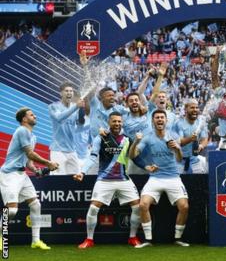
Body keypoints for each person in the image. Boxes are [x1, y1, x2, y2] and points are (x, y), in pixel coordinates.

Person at [74, 112, 141, 248]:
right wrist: (82, 172)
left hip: (123, 179)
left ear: (122, 123)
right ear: (109, 123)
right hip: (104, 180)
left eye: (119, 121)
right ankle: (89, 239)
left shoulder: (127, 139)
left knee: (137, 207)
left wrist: (137, 142)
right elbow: (92, 157)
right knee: (93, 208)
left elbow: (133, 156)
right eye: (114, 121)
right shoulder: (101, 138)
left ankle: (132, 237)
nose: (117, 124)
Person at [0, 108, 59, 250]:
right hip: (9, 174)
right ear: (24, 119)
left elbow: (28, 161)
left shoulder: (33, 136)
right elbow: (30, 153)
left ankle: (36, 241)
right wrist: (48, 163)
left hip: (22, 174)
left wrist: (36, 171)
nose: (35, 116)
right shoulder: (21, 130)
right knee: (12, 211)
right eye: (31, 115)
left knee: (35, 204)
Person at [129, 110, 189, 247]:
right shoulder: (147, 137)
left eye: (162, 117)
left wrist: (178, 149)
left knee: (184, 207)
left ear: (166, 121)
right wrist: (135, 142)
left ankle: (178, 238)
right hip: (155, 178)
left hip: (173, 178)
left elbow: (179, 159)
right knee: (143, 205)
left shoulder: (173, 136)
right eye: (157, 118)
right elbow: (133, 155)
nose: (160, 120)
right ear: (153, 121)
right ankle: (148, 240)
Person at [48, 82, 86, 175]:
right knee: (58, 180)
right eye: (66, 91)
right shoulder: (53, 106)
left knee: (76, 178)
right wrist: (77, 107)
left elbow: (80, 123)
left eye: (71, 91)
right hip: (58, 150)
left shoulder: (75, 106)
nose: (69, 93)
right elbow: (59, 118)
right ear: (61, 93)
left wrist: (81, 109)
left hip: (72, 150)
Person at [175, 99, 208, 174]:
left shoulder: (201, 122)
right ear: (186, 109)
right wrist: (191, 138)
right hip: (179, 160)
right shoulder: (179, 123)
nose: (195, 110)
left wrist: (201, 145)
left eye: (197, 108)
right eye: (192, 107)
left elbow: (204, 139)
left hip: (194, 158)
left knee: (199, 179)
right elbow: (180, 142)